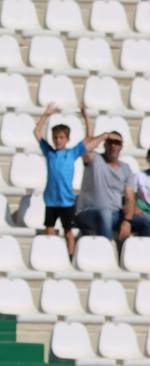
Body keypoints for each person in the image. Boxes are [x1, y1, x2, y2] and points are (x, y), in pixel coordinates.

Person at [34, 104, 97, 258]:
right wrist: (46, 114)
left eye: (61, 137)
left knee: (68, 231)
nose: (58, 140)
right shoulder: (49, 152)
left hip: (66, 201)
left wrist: (86, 117)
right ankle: (50, 255)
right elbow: (36, 132)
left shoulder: (72, 153)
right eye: (55, 137)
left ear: (67, 139)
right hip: (51, 200)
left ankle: (70, 257)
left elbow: (89, 137)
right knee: (49, 229)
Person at [74, 125, 150, 243]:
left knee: (146, 220)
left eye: (117, 143)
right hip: (88, 213)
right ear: (105, 144)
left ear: (121, 146)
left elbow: (130, 197)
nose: (113, 145)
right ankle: (107, 254)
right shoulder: (95, 159)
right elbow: (82, 149)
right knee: (105, 213)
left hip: (115, 214)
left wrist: (127, 220)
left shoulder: (126, 168)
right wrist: (105, 135)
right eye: (110, 142)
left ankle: (143, 256)